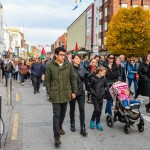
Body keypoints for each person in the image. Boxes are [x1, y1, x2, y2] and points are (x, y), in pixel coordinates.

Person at [45, 47, 78, 147]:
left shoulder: (68, 64)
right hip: (55, 94)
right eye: (61, 55)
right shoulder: (50, 66)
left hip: (66, 93)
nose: (63, 57)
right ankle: (56, 137)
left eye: (64, 55)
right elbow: (47, 81)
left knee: (63, 114)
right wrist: (49, 92)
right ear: (56, 55)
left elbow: (73, 78)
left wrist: (74, 91)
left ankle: (59, 126)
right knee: (57, 115)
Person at [69, 54, 90, 136]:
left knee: (82, 109)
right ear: (73, 59)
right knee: (72, 109)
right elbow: (67, 81)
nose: (78, 60)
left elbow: (88, 76)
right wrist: (71, 92)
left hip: (81, 92)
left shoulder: (82, 68)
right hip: (73, 92)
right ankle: (72, 124)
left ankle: (82, 128)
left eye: (79, 58)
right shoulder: (69, 69)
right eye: (76, 58)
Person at [89, 66, 107, 131]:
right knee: (96, 110)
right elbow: (90, 87)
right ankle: (92, 120)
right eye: (104, 73)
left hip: (101, 97)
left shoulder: (104, 78)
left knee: (99, 111)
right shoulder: (93, 78)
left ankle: (98, 123)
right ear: (99, 72)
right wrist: (93, 93)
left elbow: (106, 86)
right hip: (95, 97)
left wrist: (104, 91)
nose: (104, 74)